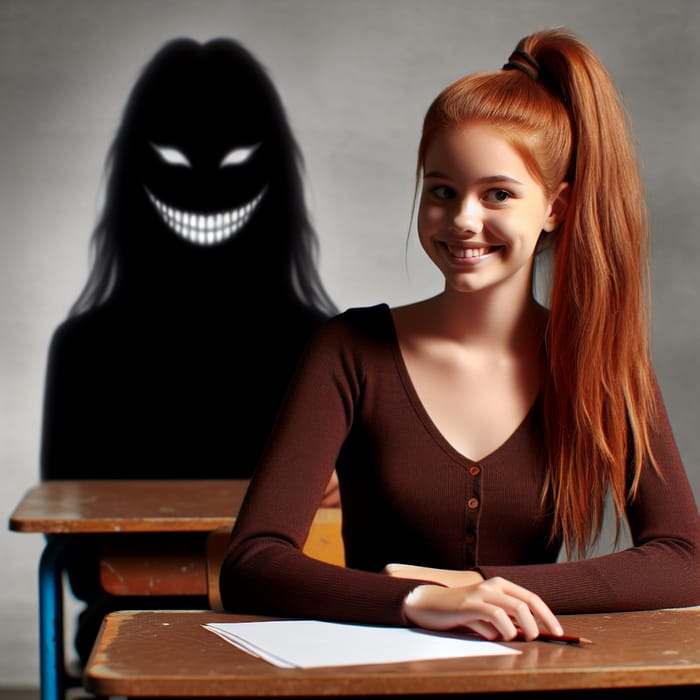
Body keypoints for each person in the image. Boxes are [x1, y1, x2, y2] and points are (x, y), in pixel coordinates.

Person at [220, 28, 700, 641]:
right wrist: (414, 600)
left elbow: (685, 561)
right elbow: (252, 563)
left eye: (497, 193)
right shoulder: (347, 352)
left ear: (555, 207)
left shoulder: (601, 364)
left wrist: (482, 589)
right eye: (442, 192)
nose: (463, 220)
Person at [39, 37, 338, 665]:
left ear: (272, 172)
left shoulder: (331, 346)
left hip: (298, 626)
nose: (204, 188)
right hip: (135, 630)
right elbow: (76, 558)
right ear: (135, 172)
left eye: (234, 161)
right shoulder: (85, 350)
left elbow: (359, 539)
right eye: (175, 158)